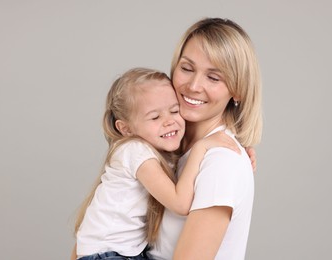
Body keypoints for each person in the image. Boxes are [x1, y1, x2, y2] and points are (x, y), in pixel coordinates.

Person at [71, 67, 240, 260]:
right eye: (155, 117)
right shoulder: (135, 151)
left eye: (174, 111)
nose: (169, 121)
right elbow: (180, 204)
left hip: (122, 253)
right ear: (125, 129)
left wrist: (239, 146)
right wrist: (202, 148)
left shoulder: (157, 149)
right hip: (106, 254)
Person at [148, 17, 263, 260]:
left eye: (214, 78)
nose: (193, 85)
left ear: (238, 90)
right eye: (187, 69)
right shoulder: (168, 144)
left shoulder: (221, 162)